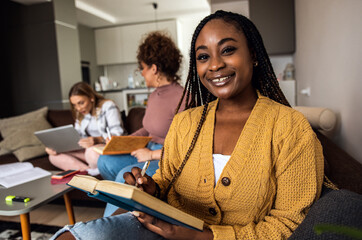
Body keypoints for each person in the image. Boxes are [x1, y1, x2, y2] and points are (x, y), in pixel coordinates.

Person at [51, 10, 324, 240]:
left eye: (227, 50)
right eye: (203, 56)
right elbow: (167, 177)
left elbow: (289, 224)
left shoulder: (290, 128)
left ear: (253, 54)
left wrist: (200, 237)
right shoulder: (186, 123)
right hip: (161, 231)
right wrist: (151, 188)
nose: (215, 65)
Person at [97, 31, 185, 216]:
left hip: (164, 158)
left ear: (154, 68)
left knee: (126, 174)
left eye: (143, 68)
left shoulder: (182, 97)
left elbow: (187, 148)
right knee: (104, 160)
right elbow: (148, 129)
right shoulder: (154, 95)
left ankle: (112, 224)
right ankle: (132, 210)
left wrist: (151, 154)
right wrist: (121, 141)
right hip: (146, 152)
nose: (142, 74)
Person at [46, 82, 124, 175]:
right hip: (87, 150)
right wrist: (56, 147)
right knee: (53, 156)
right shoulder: (80, 113)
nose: (78, 108)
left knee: (91, 153)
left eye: (81, 103)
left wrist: (97, 139)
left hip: (104, 150)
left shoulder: (108, 106)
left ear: (91, 97)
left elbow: (118, 134)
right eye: (74, 105)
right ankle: (88, 172)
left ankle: (91, 172)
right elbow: (77, 137)